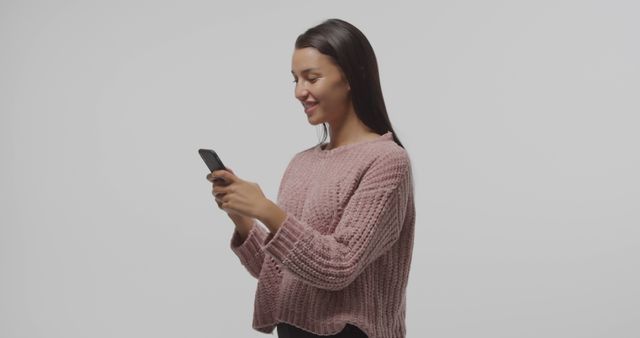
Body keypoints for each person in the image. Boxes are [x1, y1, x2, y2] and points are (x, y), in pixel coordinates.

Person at [206, 18, 415, 338]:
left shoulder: (387, 162)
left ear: (350, 78)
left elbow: (339, 266)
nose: (299, 92)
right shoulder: (301, 163)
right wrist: (244, 219)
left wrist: (265, 209)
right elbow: (280, 272)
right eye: (295, 80)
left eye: (312, 78)